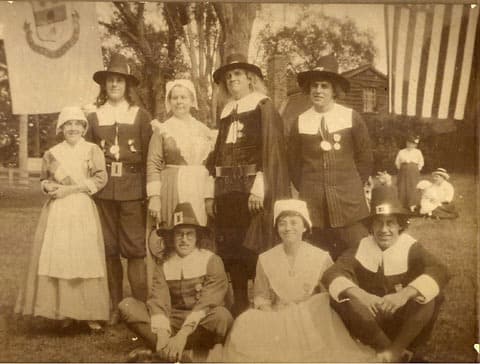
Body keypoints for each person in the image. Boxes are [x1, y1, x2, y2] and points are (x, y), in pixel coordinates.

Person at [222, 199, 376, 362]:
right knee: (246, 322)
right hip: (277, 315)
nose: (288, 228)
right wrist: (274, 318)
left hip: (311, 319)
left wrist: (302, 312)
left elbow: (329, 296)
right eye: (282, 223)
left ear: (304, 227)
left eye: (294, 223)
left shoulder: (320, 257)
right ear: (277, 228)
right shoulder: (265, 258)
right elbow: (261, 296)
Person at [322, 185, 450, 363]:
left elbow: (440, 269)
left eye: (390, 223)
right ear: (371, 227)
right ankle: (389, 350)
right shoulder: (362, 246)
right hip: (371, 324)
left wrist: (404, 295)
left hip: (405, 322)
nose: (384, 230)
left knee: (430, 296)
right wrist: (363, 295)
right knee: (342, 296)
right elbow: (332, 273)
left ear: (400, 225)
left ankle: (396, 350)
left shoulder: (410, 247)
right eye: (378, 223)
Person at [206, 53, 290, 316]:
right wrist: (211, 191)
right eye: (229, 76)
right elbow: (218, 153)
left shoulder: (262, 105)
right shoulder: (226, 110)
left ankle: (263, 301)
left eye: (238, 74)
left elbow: (271, 150)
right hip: (226, 189)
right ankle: (240, 304)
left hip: (252, 188)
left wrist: (259, 186)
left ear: (250, 78)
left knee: (254, 245)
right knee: (231, 247)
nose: (232, 80)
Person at [15, 106, 109, 332]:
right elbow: (44, 180)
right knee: (60, 256)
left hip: (82, 207)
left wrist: (71, 189)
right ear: (61, 127)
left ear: (84, 128)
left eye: (78, 123)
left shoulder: (92, 150)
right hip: (58, 211)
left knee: (84, 257)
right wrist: (48, 186)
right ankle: (62, 311)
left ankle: (88, 313)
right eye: (68, 124)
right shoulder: (52, 153)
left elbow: (100, 179)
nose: (73, 128)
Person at [119, 202, 233, 363]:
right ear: (172, 238)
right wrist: (163, 333)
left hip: (201, 321)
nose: (184, 240)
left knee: (222, 316)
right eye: (179, 234)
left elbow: (208, 302)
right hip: (172, 321)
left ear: (197, 237)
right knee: (127, 306)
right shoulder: (165, 263)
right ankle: (175, 349)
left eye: (189, 234)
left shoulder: (211, 260)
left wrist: (182, 335)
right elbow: (159, 300)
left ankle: (166, 351)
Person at [85, 53, 152, 325]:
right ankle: (114, 306)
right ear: (104, 85)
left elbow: (150, 156)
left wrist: (149, 192)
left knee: (135, 250)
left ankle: (139, 308)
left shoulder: (140, 115)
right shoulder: (93, 116)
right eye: (110, 80)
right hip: (103, 191)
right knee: (109, 249)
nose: (114, 85)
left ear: (127, 85)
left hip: (133, 189)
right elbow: (86, 156)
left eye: (119, 80)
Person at [288, 54, 373, 261]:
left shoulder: (350, 116)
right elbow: (294, 164)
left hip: (349, 201)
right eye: (314, 86)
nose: (318, 91)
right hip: (314, 203)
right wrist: (311, 187)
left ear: (334, 89)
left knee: (360, 254)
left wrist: (350, 184)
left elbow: (365, 158)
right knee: (318, 258)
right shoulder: (300, 122)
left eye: (324, 86)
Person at [146, 78, 216, 244]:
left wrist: (210, 194)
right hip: (173, 186)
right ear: (169, 101)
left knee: (199, 231)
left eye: (183, 97)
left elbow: (211, 164)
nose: (179, 102)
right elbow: (153, 163)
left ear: (192, 100)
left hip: (200, 187)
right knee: (175, 231)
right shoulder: (162, 129)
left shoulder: (203, 130)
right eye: (175, 98)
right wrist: (154, 197)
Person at [395, 134, 424, 212]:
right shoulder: (401, 152)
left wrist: (416, 169)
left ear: (415, 145)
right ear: (406, 143)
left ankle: (413, 205)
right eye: (409, 143)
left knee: (413, 186)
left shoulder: (418, 152)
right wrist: (402, 169)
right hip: (403, 171)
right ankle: (402, 204)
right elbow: (397, 162)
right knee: (402, 187)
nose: (410, 145)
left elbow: (421, 162)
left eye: (412, 144)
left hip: (413, 171)